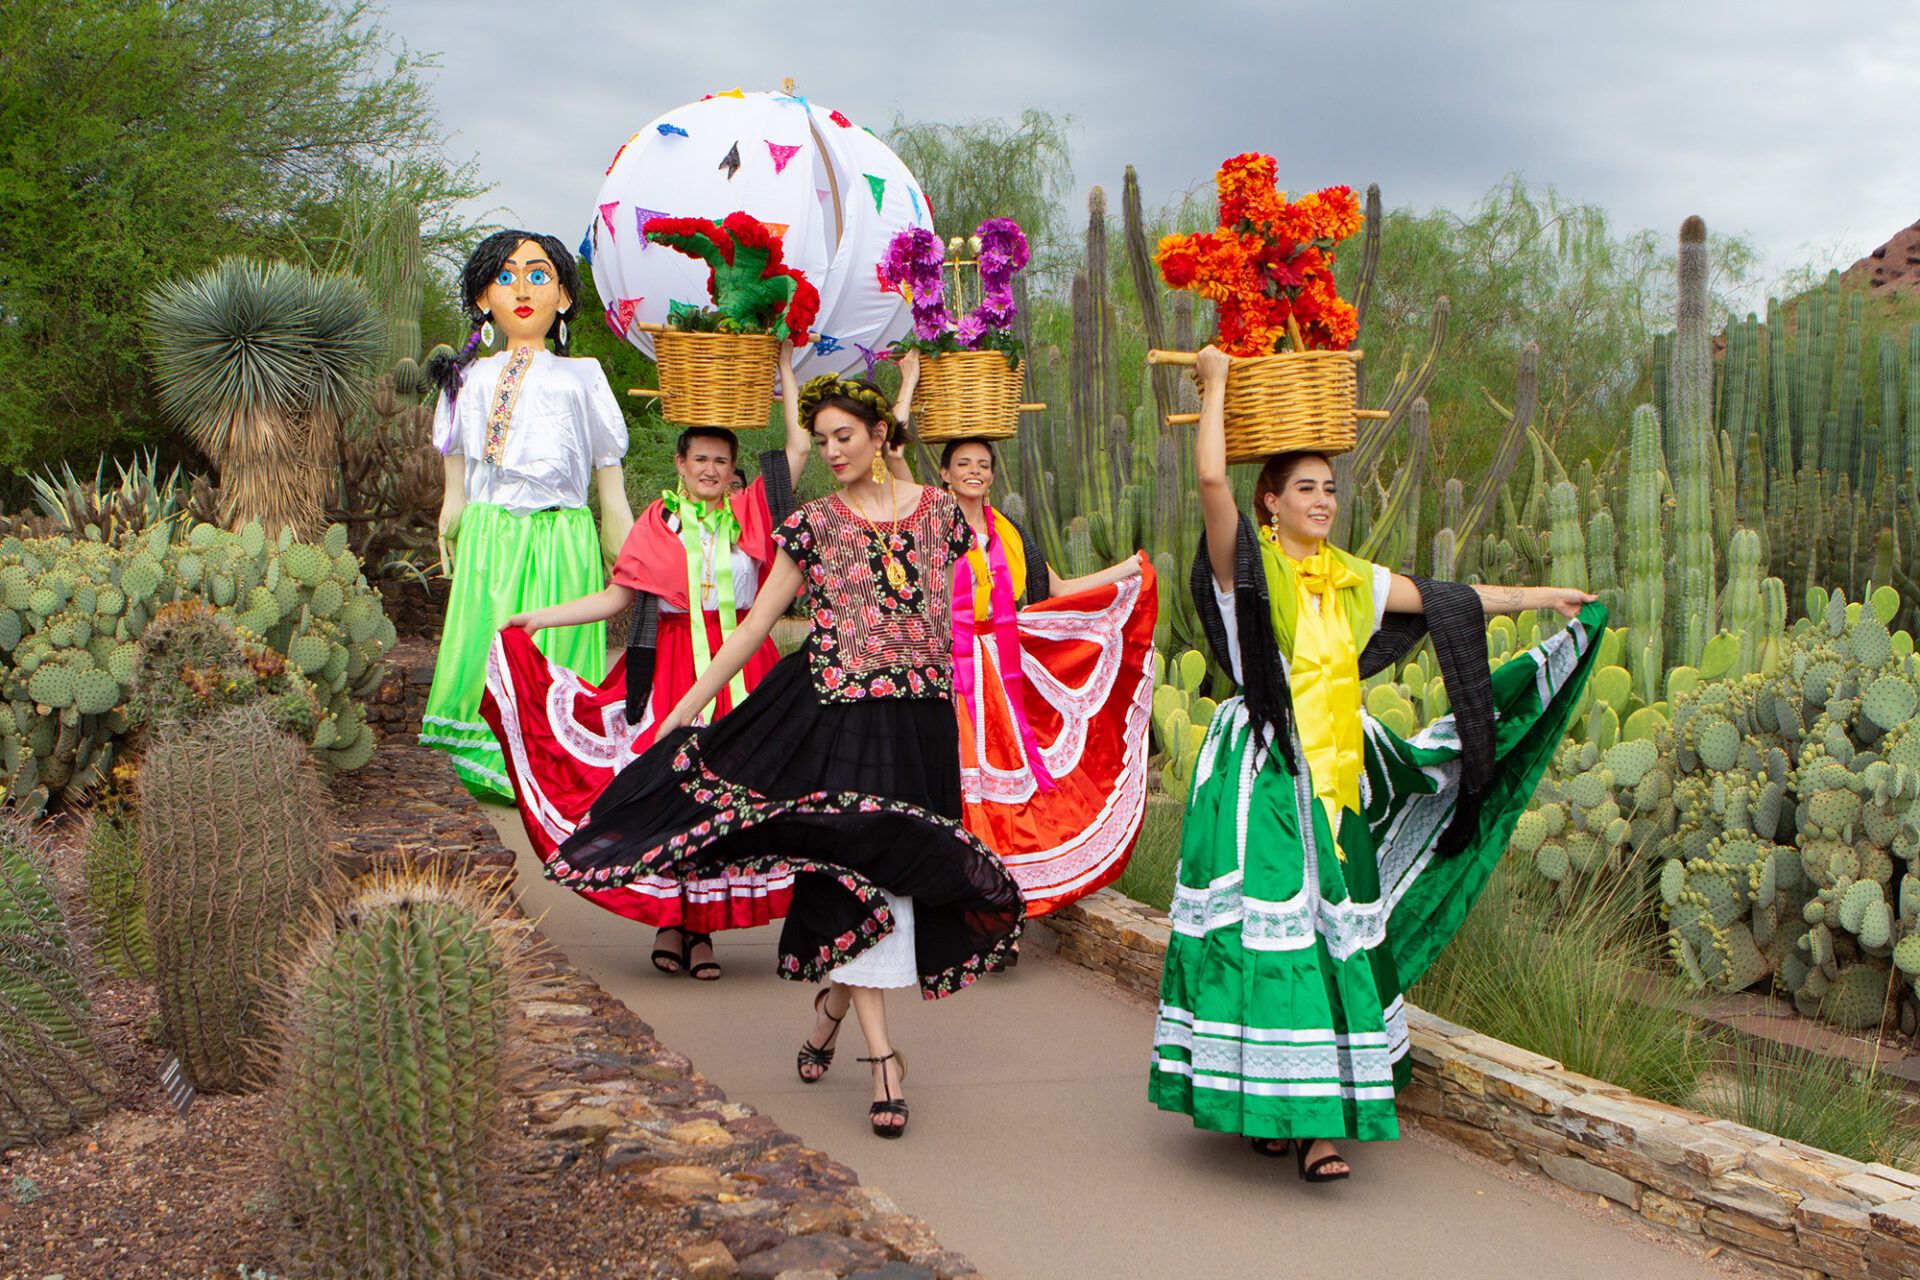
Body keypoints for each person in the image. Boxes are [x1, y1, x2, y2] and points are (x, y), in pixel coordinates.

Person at [1149, 345, 1604, 1182]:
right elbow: (1212, 484)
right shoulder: (1244, 569)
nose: (1323, 500)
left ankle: (1321, 1126)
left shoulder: (1349, 578)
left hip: (1335, 778)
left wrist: (1546, 599)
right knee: (1267, 947)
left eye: (1330, 486)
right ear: (1271, 502)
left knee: (1334, 944)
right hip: (1260, 780)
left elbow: (1448, 599)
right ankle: (1270, 1107)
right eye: (1305, 488)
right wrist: (1215, 387)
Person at [547, 351, 1022, 1138]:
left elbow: (987, 591)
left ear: (878, 435)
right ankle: (883, 1064)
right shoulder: (809, 526)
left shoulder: (940, 515)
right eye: (821, 439)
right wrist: (685, 710)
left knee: (903, 877)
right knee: (853, 875)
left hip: (922, 722)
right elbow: (757, 625)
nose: (832, 452)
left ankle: (827, 1018)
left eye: (844, 436)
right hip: (839, 719)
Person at [480, 344, 812, 980]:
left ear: (734, 471)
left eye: (722, 460)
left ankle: (705, 932)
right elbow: (617, 598)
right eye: (700, 459)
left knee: (734, 798)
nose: (711, 469)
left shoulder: (751, 514)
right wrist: (538, 618)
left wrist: (786, 371)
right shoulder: (655, 525)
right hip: (673, 668)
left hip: (748, 668)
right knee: (674, 793)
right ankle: (671, 921)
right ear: (680, 463)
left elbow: (796, 444)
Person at [421, 230, 633, 801]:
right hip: (491, 531)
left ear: (563, 297)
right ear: (482, 298)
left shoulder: (583, 374)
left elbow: (606, 466)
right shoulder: (466, 378)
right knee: (487, 639)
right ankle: (485, 759)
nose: (522, 289)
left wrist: (619, 526)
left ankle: (558, 760)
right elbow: (457, 463)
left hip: (563, 530)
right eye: (505, 276)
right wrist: (452, 507)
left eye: (539, 276)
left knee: (557, 645)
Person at [926, 433, 1158, 949]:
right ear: (944, 474)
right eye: (962, 463)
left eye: (983, 464)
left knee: (1006, 801)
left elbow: (1058, 591)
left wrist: (1128, 571)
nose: (974, 471)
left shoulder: (1011, 533)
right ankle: (960, 909)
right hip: (952, 673)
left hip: (1004, 676)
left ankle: (996, 913)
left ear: (992, 475)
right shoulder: (930, 528)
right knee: (960, 797)